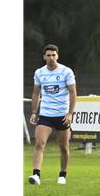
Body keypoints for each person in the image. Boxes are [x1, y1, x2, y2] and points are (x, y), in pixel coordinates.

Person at [29, 44, 77, 185]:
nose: (51, 58)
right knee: (39, 143)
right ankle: (36, 175)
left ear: (58, 56)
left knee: (63, 146)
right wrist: (33, 112)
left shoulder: (66, 72)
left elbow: (73, 93)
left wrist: (70, 114)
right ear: (44, 57)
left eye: (54, 55)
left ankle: (62, 175)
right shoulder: (39, 73)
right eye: (48, 55)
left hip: (62, 115)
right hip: (45, 115)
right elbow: (36, 93)